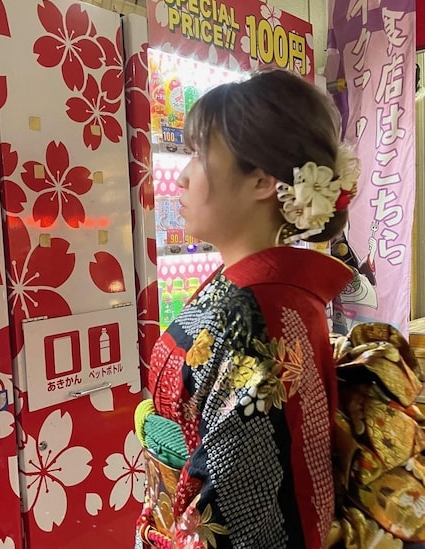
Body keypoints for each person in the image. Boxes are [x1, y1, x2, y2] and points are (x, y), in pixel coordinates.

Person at [134, 68, 358, 549]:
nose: (182, 176)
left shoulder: (255, 316)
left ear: (261, 180)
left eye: (198, 154)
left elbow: (241, 508)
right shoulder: (264, 293)